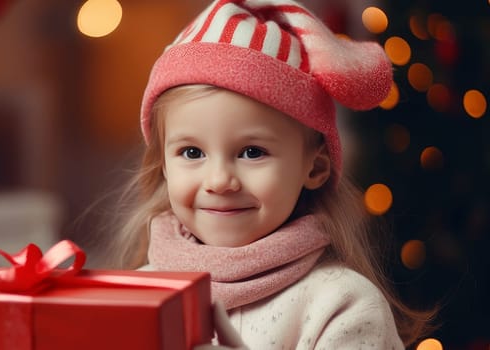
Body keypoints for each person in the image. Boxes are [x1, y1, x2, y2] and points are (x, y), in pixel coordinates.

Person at [103, 0, 436, 348]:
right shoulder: (135, 296)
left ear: (316, 167)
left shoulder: (342, 305)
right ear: (164, 166)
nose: (218, 181)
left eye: (252, 152)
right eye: (192, 152)